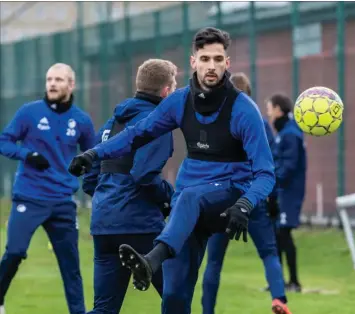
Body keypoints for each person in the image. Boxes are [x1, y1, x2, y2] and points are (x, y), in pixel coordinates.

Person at [68, 27, 292, 314]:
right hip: (188, 210)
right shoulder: (179, 101)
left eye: (218, 59)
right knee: (173, 297)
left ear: (227, 63)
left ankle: (152, 260)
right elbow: (136, 134)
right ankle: (157, 262)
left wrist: (246, 203)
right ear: (193, 61)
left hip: (229, 197)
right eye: (205, 58)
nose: (211, 65)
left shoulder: (244, 110)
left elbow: (265, 173)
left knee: (189, 197)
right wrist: (92, 154)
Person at [81, 59, 178, 314]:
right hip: (140, 225)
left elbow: (90, 173)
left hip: (104, 225)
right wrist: (169, 199)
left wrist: (107, 199)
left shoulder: (112, 123)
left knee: (103, 309)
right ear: (166, 90)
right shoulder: (156, 123)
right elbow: (144, 174)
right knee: (177, 298)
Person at [0, 63, 95, 314]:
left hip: (63, 200)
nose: (52, 84)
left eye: (59, 79)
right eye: (49, 79)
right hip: (29, 197)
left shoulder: (82, 121)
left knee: (71, 266)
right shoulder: (29, 113)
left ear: (71, 85)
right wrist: (27, 154)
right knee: (15, 251)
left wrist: (88, 175)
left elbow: (93, 155)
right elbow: (4, 141)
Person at [201, 72, 287, 314]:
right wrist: (273, 198)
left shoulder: (213, 122)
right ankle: (279, 299)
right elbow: (272, 165)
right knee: (269, 253)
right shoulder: (259, 122)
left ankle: (207, 311)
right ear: (248, 95)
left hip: (222, 200)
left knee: (214, 262)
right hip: (253, 198)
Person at [266, 93, 307, 293]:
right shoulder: (284, 131)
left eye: (269, 108)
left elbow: (288, 166)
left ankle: (294, 282)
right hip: (281, 191)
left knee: (284, 234)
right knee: (277, 235)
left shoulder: (290, 133)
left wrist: (272, 182)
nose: (268, 113)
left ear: (278, 110)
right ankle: (279, 281)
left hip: (288, 193)